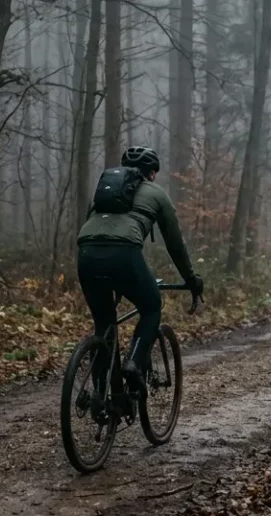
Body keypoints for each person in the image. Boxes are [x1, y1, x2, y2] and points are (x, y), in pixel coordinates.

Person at [77, 146, 203, 396]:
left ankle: (100, 395)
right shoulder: (157, 193)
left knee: (103, 323)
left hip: (86, 253)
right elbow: (175, 244)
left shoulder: (106, 191)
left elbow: (94, 226)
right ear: (153, 174)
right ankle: (133, 362)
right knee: (152, 306)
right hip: (124, 254)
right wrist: (190, 278)